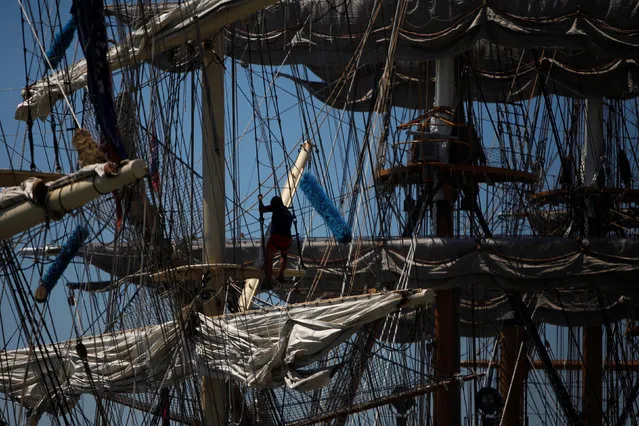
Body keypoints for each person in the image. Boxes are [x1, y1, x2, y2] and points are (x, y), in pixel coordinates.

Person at [260, 195, 293, 283]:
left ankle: (268, 279)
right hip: (287, 240)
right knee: (283, 255)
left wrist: (260, 201)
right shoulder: (287, 211)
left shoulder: (276, 209)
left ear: (273, 205)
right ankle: (281, 275)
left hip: (276, 238)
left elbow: (262, 209)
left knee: (269, 258)